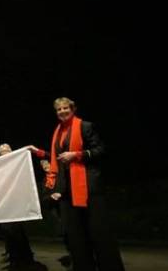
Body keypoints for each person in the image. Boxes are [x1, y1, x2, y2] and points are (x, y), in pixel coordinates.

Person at [28, 97, 125, 271]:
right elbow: (57, 158)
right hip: (66, 189)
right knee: (75, 237)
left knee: (99, 234)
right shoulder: (58, 131)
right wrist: (39, 152)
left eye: (65, 108)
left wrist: (77, 155)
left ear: (73, 109)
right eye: (58, 109)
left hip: (88, 187)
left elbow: (101, 150)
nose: (62, 111)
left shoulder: (84, 126)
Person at [0, 144, 38, 269]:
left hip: (16, 202)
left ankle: (25, 258)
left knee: (17, 231)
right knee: (7, 232)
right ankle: (14, 258)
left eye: (7, 150)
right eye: (2, 151)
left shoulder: (17, 163)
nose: (4, 152)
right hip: (5, 203)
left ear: (11, 151)